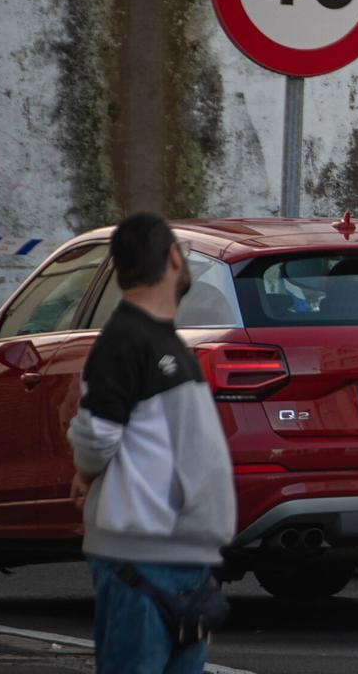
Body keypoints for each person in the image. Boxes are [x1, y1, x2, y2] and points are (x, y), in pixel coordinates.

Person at [67, 213, 236, 673]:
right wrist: (86, 472)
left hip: (184, 562)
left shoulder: (162, 340)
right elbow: (97, 433)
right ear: (174, 260)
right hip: (142, 562)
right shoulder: (123, 340)